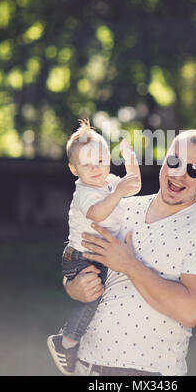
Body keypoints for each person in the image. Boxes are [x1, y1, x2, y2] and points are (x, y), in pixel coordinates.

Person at [64, 129, 196, 376]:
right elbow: (78, 258)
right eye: (174, 161)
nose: (178, 175)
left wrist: (129, 265)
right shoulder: (121, 207)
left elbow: (191, 311)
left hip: (148, 373)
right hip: (87, 366)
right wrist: (73, 286)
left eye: (193, 170)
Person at [47, 119, 141, 375]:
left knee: (104, 297)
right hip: (80, 256)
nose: (96, 168)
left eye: (100, 160)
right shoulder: (84, 193)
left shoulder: (109, 181)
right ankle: (66, 342)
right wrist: (117, 193)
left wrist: (130, 159)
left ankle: (89, 345)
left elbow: (134, 185)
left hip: (96, 254)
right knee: (93, 295)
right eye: (87, 165)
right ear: (74, 169)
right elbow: (98, 214)